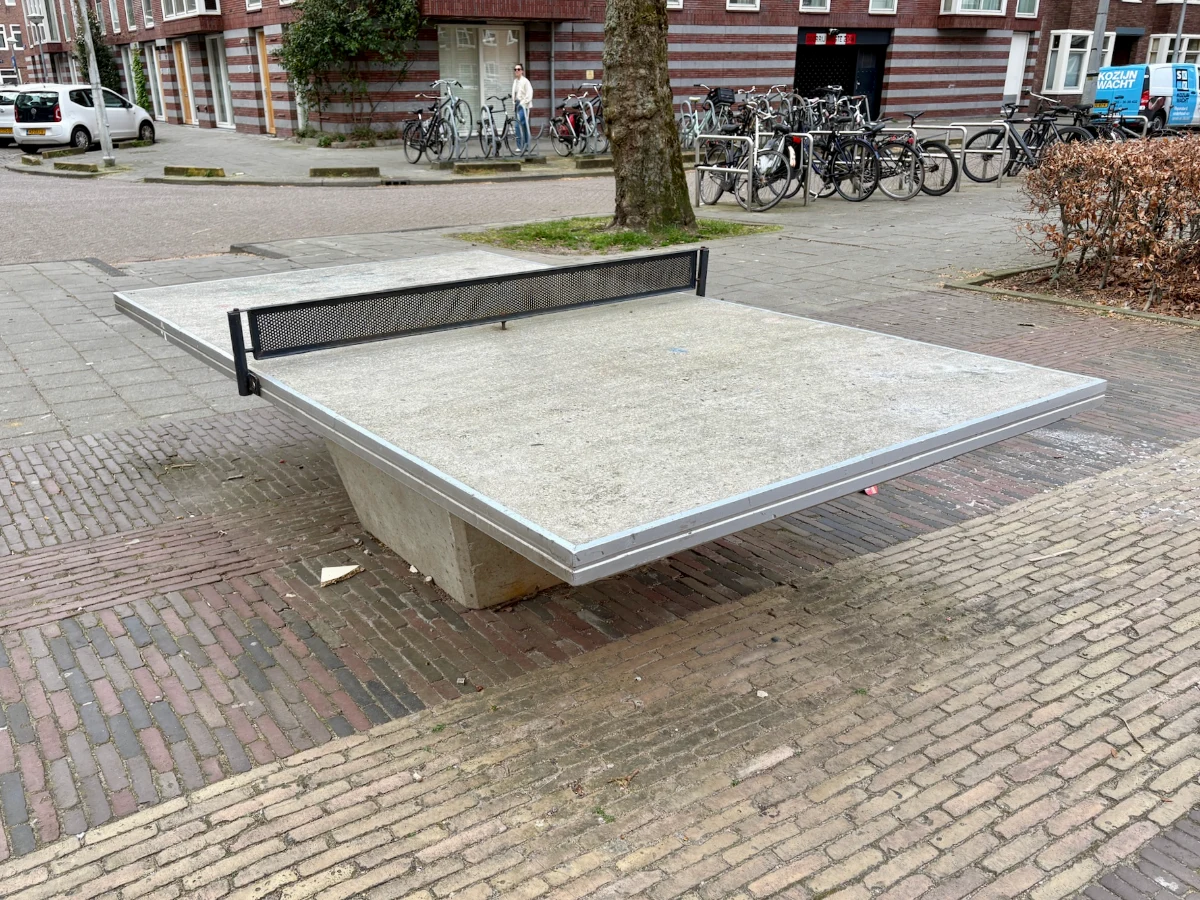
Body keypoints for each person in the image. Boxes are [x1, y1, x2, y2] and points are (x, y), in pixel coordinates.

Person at [512, 64, 533, 155]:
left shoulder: (525, 81)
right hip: (517, 104)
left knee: (520, 125)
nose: (517, 71)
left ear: (522, 71)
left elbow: (529, 93)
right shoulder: (515, 81)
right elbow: (514, 93)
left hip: (523, 105)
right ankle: (523, 146)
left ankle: (523, 146)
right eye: (515, 69)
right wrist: (514, 102)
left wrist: (523, 103)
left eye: (518, 69)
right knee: (520, 125)